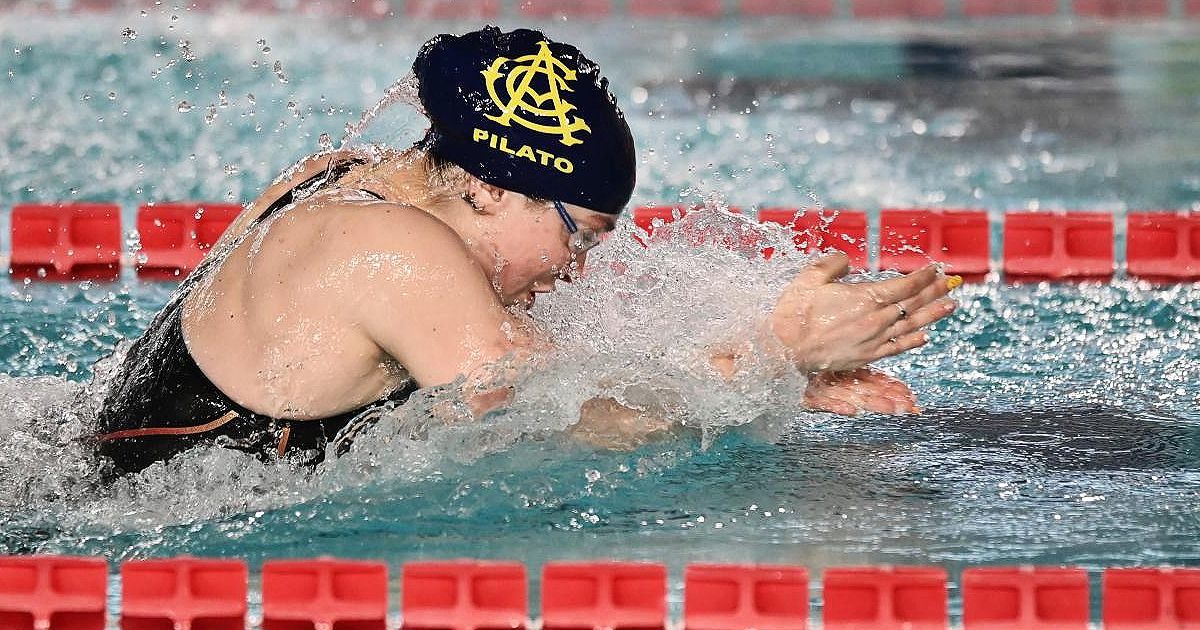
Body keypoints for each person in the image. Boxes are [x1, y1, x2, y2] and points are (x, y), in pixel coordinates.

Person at [92, 26, 960, 475]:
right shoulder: (395, 249)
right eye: (577, 235)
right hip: (144, 536)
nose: (577, 269)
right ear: (492, 186)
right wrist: (778, 351)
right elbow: (560, 427)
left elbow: (562, 371)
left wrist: (784, 380)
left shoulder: (344, 178)